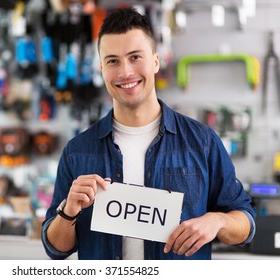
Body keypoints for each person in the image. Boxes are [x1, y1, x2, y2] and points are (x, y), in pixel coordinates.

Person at [41, 7, 256, 260]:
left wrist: (217, 221)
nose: (125, 72)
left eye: (135, 57)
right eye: (112, 61)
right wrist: (69, 211)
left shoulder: (202, 143)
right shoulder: (77, 151)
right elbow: (56, 249)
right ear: (101, 68)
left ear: (156, 61)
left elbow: (246, 225)